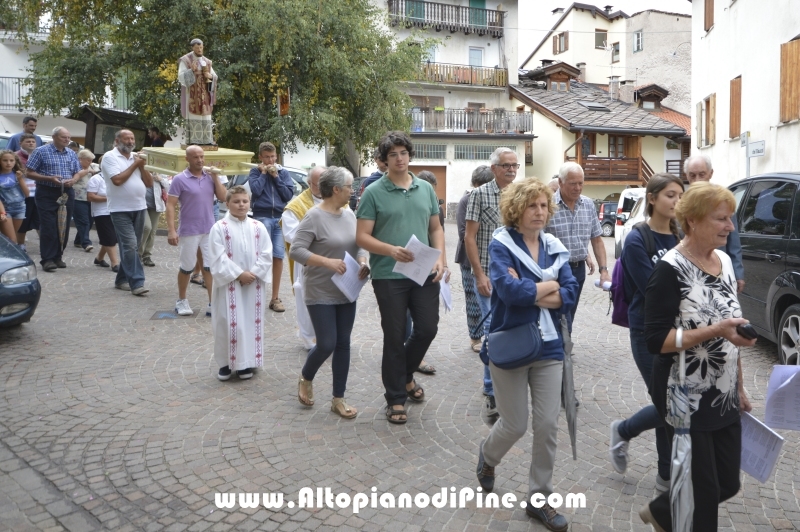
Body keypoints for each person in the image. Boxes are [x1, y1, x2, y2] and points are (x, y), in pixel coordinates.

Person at [639, 182, 755, 531]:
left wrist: (741, 387)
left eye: (730, 219)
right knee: (704, 495)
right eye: (721, 219)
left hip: (723, 392)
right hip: (682, 393)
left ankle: (663, 512)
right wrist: (715, 330)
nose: (730, 227)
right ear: (691, 221)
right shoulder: (669, 270)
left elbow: (732, 325)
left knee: (727, 483)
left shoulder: (723, 261)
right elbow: (656, 341)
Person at [475, 179, 578, 532]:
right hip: (512, 343)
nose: (539, 212)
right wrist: (550, 286)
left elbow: (572, 291)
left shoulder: (553, 245)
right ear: (517, 210)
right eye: (532, 206)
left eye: (544, 206)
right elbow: (509, 291)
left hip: (549, 346)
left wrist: (535, 288)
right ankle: (488, 457)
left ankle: (540, 499)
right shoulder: (502, 243)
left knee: (548, 424)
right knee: (515, 424)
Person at [356, 131, 446, 424]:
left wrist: (441, 258)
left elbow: (436, 228)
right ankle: (395, 397)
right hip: (388, 274)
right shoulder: (373, 193)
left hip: (422, 270)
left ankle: (405, 376)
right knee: (395, 336)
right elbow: (362, 237)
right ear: (384, 160)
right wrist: (390, 250)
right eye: (392, 154)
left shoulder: (425, 189)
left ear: (410, 155)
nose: (399, 159)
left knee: (427, 328)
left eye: (403, 153)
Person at [608, 173, 684, 493]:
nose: (677, 201)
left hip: (683, 332)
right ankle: (626, 432)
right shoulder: (637, 239)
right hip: (648, 333)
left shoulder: (682, 235)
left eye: (680, 195)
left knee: (672, 402)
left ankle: (665, 475)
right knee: (667, 404)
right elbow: (653, 290)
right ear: (652, 199)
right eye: (670, 195)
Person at [290, 167, 369, 418]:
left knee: (343, 343)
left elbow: (359, 245)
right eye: (349, 187)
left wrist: (364, 260)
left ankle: (338, 398)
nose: (352, 191)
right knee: (326, 343)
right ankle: (306, 377)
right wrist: (327, 262)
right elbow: (296, 251)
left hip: (347, 289)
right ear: (336, 189)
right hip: (320, 289)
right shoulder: (313, 216)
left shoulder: (349, 214)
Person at [465, 147, 519, 418]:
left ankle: (509, 384)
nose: (511, 170)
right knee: (492, 331)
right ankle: (490, 390)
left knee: (514, 329)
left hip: (514, 278)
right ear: (494, 168)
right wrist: (479, 274)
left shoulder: (522, 195)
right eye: (506, 165)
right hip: (488, 276)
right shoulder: (479, 194)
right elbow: (469, 238)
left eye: (514, 166)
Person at [208, 186, 273, 381]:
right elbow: (217, 257)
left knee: (250, 322)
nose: (241, 205)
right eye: (236, 201)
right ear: (227, 203)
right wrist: (238, 274)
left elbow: (266, 253)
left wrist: (253, 273)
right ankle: (226, 363)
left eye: (244, 201)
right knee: (227, 322)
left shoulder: (258, 227)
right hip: (229, 284)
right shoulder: (219, 228)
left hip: (253, 284)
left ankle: (246, 363)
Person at [546, 162, 610, 327]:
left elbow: (596, 239)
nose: (577, 188)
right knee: (558, 312)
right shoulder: (547, 205)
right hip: (554, 269)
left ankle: (564, 347)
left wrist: (604, 270)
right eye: (573, 183)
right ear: (560, 182)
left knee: (570, 312)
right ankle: (559, 349)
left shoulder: (588, 204)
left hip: (577, 269)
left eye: (580, 183)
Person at [167, 146, 227, 316]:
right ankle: (182, 300)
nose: (200, 160)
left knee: (210, 266)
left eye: (202, 157)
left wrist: (215, 177)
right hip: (189, 230)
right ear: (187, 159)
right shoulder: (180, 179)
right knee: (187, 266)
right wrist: (171, 230)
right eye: (195, 157)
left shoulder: (210, 177)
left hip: (209, 229)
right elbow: (170, 205)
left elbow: (223, 197)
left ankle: (212, 302)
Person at [100, 129, 153, 295]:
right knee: (130, 245)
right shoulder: (110, 157)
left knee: (132, 247)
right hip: (120, 209)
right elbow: (117, 180)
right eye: (126, 139)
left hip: (139, 207)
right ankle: (137, 283)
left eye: (132, 138)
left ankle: (122, 279)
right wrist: (136, 165)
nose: (131, 141)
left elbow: (149, 183)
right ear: (117, 141)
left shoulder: (136, 158)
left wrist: (142, 166)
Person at [683, 154, 745, 293]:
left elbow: (733, 243)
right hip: (691, 273)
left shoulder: (723, 201)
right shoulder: (682, 204)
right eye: (692, 175)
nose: (697, 180)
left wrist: (738, 274)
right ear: (686, 175)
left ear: (711, 174)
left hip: (720, 270)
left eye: (702, 174)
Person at [25, 127, 82, 272]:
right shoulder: (41, 151)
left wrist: (74, 180)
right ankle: (47, 259)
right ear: (54, 137)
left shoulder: (71, 153)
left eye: (68, 137)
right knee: (49, 225)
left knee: (63, 225)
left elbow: (78, 172)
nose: (67, 140)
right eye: (64, 137)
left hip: (66, 191)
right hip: (47, 192)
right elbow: (29, 172)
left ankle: (58, 256)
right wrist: (49, 178)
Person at [248, 141, 294, 312]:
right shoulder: (254, 172)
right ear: (260, 157)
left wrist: (275, 176)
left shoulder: (283, 173)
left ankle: (275, 298)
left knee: (278, 256)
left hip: (279, 218)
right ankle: (256, 295)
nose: (270, 161)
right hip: (262, 217)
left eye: (273, 157)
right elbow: (256, 190)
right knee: (260, 257)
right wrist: (263, 174)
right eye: (266, 157)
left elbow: (287, 194)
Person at [282, 165, 325, 350]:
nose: (323, 189)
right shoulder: (296, 206)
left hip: (333, 259)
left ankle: (330, 335)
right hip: (308, 260)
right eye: (318, 185)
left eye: (326, 184)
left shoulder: (340, 202)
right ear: (309, 183)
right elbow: (291, 234)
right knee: (307, 297)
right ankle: (310, 339)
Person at [455, 165, 494, 353]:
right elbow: (464, 232)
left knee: (491, 300)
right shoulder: (466, 200)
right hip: (469, 258)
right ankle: (474, 337)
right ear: (475, 183)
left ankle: (491, 335)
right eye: (481, 184)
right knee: (473, 300)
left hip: (492, 258)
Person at [178, 38, 217, 145]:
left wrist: (210, 76)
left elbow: (214, 76)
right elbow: (181, 77)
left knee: (206, 116)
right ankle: (194, 140)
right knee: (194, 115)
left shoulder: (207, 62)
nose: (199, 50)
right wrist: (191, 71)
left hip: (205, 95)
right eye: (197, 48)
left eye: (201, 47)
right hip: (193, 95)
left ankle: (207, 140)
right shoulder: (186, 60)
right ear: (192, 48)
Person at [86, 169, 120, 272]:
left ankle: (99, 258)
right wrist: (108, 198)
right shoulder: (96, 179)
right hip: (101, 212)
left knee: (112, 236)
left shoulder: (115, 179)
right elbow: (90, 197)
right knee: (109, 237)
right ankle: (115, 263)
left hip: (116, 210)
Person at [139, 173, 170, 267]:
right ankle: (138, 253)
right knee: (146, 227)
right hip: (141, 204)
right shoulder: (141, 170)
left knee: (152, 231)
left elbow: (169, 188)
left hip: (156, 205)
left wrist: (160, 179)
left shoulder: (160, 172)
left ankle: (147, 255)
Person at [15, 134, 39, 252]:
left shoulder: (39, 155)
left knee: (40, 220)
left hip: (39, 193)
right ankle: (21, 244)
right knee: (23, 221)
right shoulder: (15, 157)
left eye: (33, 141)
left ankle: (45, 244)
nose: (31, 143)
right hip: (23, 194)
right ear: (21, 143)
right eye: (28, 141)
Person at [72, 149, 100, 253]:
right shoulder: (75, 167)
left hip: (91, 197)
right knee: (83, 221)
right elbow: (72, 179)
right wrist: (85, 172)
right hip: (78, 197)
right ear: (80, 159)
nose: (90, 162)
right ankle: (86, 243)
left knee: (90, 219)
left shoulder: (94, 166)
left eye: (91, 160)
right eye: (88, 160)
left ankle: (78, 240)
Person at [0, 150, 29, 239]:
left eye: (11, 160)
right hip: (5, 208)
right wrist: (2, 212)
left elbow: (27, 194)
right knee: (12, 240)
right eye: (5, 160)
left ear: (15, 161)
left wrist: (20, 179)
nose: (8, 163)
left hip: (20, 208)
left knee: (8, 239)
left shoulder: (18, 173)